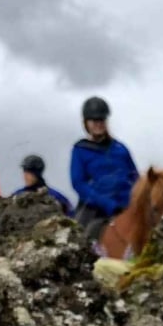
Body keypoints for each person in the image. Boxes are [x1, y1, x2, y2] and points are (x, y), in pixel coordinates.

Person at [68, 97, 139, 241]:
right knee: (80, 241)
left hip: (127, 205)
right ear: (86, 123)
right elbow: (79, 183)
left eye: (101, 120)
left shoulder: (121, 149)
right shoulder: (80, 150)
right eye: (94, 121)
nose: (98, 124)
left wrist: (133, 201)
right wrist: (108, 204)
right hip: (96, 207)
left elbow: (135, 177)